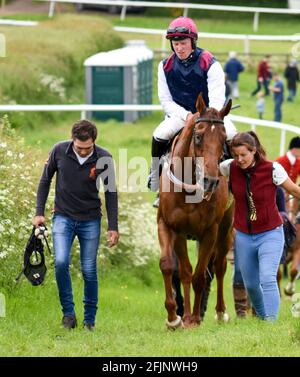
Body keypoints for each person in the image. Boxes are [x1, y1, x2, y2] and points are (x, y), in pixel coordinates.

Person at [32, 120, 119, 331]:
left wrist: (113, 227)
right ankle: (68, 315)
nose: (82, 151)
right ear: (72, 140)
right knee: (61, 262)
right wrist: (39, 213)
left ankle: (90, 320)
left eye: (87, 148)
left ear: (94, 142)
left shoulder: (104, 157)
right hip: (63, 217)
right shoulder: (59, 151)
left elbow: (111, 193)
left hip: (90, 219)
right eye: (79, 147)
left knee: (89, 270)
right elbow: (45, 181)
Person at [147, 16, 237, 206]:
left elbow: (217, 98)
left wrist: (205, 116)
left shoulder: (210, 63)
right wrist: (187, 116)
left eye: (183, 43)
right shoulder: (164, 66)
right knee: (159, 134)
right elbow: (165, 100)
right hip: (181, 115)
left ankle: (235, 181)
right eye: (175, 43)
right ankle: (155, 175)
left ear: (193, 41)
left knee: (232, 134)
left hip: (210, 116)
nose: (179, 48)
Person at [219, 131, 300, 320]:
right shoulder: (228, 167)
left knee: (267, 278)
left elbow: (295, 190)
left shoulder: (273, 169)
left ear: (254, 151)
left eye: (244, 155)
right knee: (252, 285)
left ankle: (270, 323)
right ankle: (264, 319)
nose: (239, 160)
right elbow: (209, 175)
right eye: (236, 155)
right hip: (244, 236)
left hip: (271, 233)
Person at [276, 136, 300, 222]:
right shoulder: (280, 161)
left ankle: (293, 218)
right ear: (295, 149)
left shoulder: (298, 161)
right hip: (280, 192)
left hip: (292, 192)